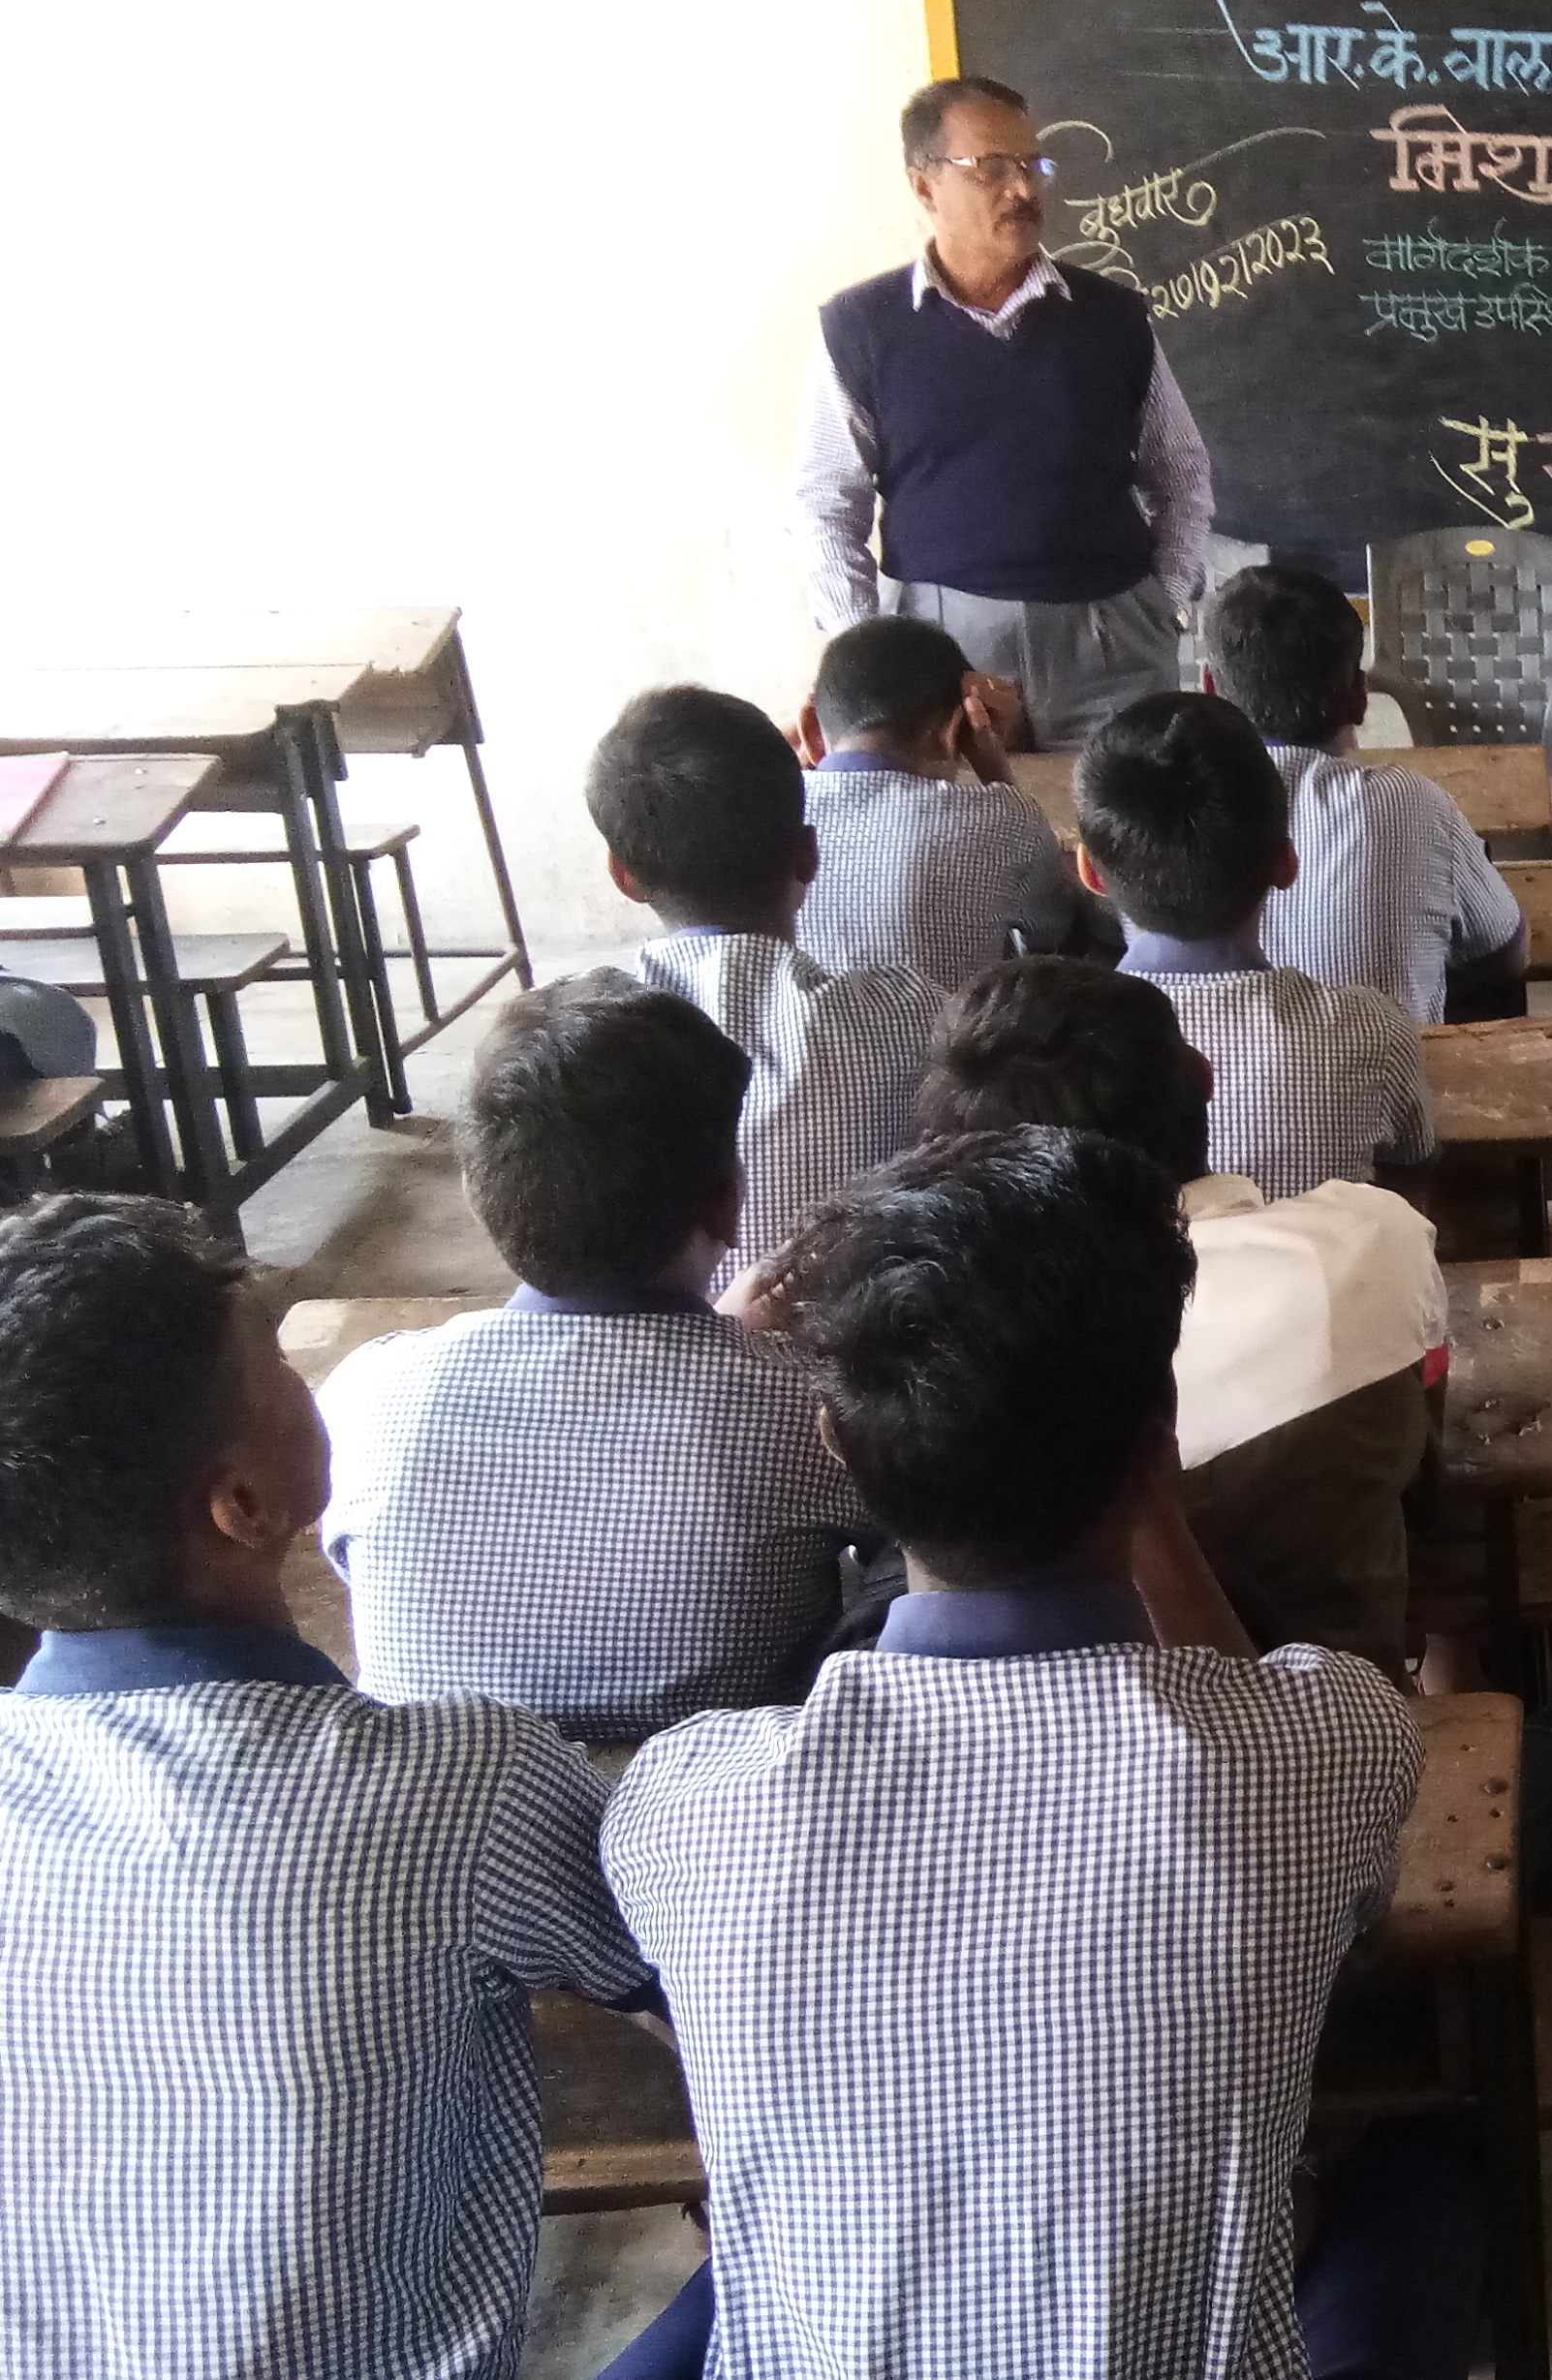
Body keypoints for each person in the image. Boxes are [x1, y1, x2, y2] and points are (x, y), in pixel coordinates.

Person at [604, 1128, 1471, 2378]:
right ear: (1159, 1445)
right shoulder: (1330, 1736)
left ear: (837, 1447)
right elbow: (1350, 1893)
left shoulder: (686, 1799)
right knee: (1438, 2147)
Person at [0, 1194, 705, 2380]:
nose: (303, 1376)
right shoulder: (459, 1783)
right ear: (245, 1504)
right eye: (278, 1364)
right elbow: (693, 1969)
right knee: (800, 2230)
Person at [921, 957, 1552, 1911]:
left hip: (1079, 1821)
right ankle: (1495, 1942)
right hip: (1322, 1775)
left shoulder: (945, 1396)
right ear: (1203, 1076)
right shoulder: (1365, 1238)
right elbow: (1422, 1454)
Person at [321, 981, 879, 1745]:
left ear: (476, 1195)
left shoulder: (369, 1392)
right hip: (716, 1804)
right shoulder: (803, 1405)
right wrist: (741, 1344)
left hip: (437, 1802)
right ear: (726, 1204)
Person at [791, 75, 1213, 749]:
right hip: (942, 655)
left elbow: (1180, 470)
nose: (1022, 188)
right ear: (925, 187)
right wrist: (862, 657)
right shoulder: (862, 328)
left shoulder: (1110, 317)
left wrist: (1165, 603)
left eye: (1030, 165)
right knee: (964, 816)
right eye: (991, 168)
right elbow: (827, 501)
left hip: (1111, 646)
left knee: (1127, 812)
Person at [589, 686, 944, 1287]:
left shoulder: (577, 1049)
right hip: (864, 1335)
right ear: (808, 855)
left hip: (671, 1337)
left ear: (624, 877)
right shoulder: (912, 1013)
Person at [1077, 691, 1436, 1199]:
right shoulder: (1375, 1031)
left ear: (1090, 872)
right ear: (1287, 863)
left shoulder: (1064, 1058)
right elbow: (1413, 1166)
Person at [1203, 564, 1527, 1026]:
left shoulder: (1170, 811)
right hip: (1392, 1065)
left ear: (1209, 688)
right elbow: (1507, 953)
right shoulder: (1413, 803)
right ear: (1360, 697)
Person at [792, 614, 1110, 981]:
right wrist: (998, 779)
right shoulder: (1003, 819)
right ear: (957, 730)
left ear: (810, 727)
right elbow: (1055, 934)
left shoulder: (777, 808)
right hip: (955, 1021)